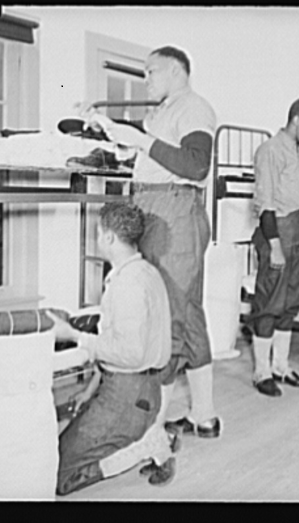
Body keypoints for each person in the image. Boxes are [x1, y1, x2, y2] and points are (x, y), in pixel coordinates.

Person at [81, 46, 222, 459]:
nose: (147, 79)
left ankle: (153, 430)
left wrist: (140, 140)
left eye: (152, 71)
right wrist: (119, 137)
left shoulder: (194, 108)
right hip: (156, 206)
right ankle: (205, 416)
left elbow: (196, 165)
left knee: (168, 317)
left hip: (175, 210)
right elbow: (156, 155)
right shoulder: (163, 111)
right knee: (189, 315)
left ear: (178, 71)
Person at [50, 202, 176, 494]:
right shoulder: (146, 271)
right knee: (58, 454)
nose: (96, 239)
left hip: (128, 396)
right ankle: (147, 434)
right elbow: (120, 348)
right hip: (136, 389)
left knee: (58, 476)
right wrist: (90, 390)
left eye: (97, 233)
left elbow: (129, 354)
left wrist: (73, 334)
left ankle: (149, 443)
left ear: (108, 238)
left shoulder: (128, 284)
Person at [248, 97, 299, 397]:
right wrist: (275, 246)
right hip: (276, 233)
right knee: (269, 305)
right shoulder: (270, 151)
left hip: (298, 232)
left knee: (291, 304)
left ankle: (281, 366)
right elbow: (266, 206)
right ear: (296, 120)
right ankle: (261, 372)